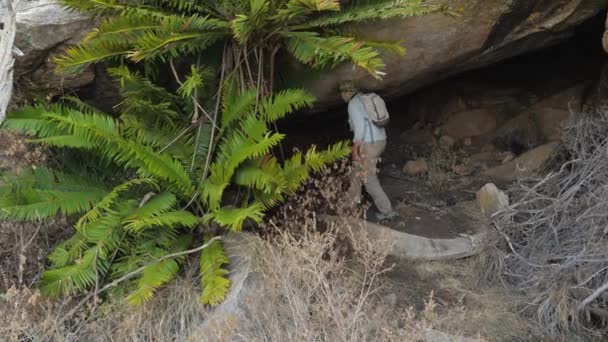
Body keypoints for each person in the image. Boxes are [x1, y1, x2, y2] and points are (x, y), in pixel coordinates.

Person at [340, 80, 397, 220]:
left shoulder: (353, 104)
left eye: (341, 93)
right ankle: (350, 207)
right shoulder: (365, 99)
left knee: (369, 179)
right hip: (380, 140)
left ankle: (388, 212)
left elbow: (359, 129)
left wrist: (355, 149)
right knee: (356, 174)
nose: (341, 96)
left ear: (347, 92)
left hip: (369, 145)